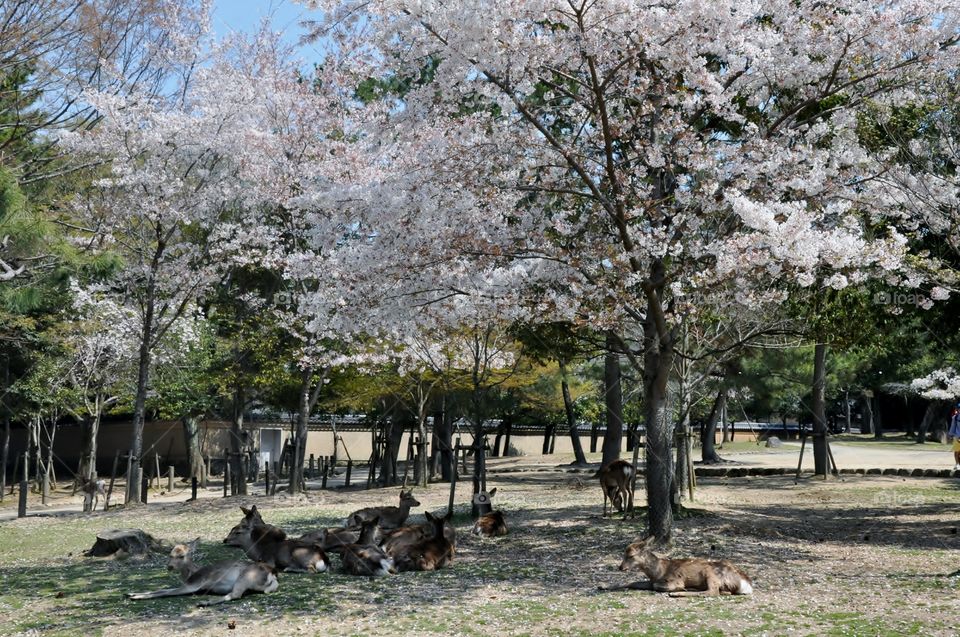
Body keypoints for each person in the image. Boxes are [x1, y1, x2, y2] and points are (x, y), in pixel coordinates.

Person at [949, 403, 960, 471]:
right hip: (957, 436)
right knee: (956, 451)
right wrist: (950, 435)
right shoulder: (955, 418)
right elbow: (953, 426)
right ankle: (957, 464)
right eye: (959, 409)